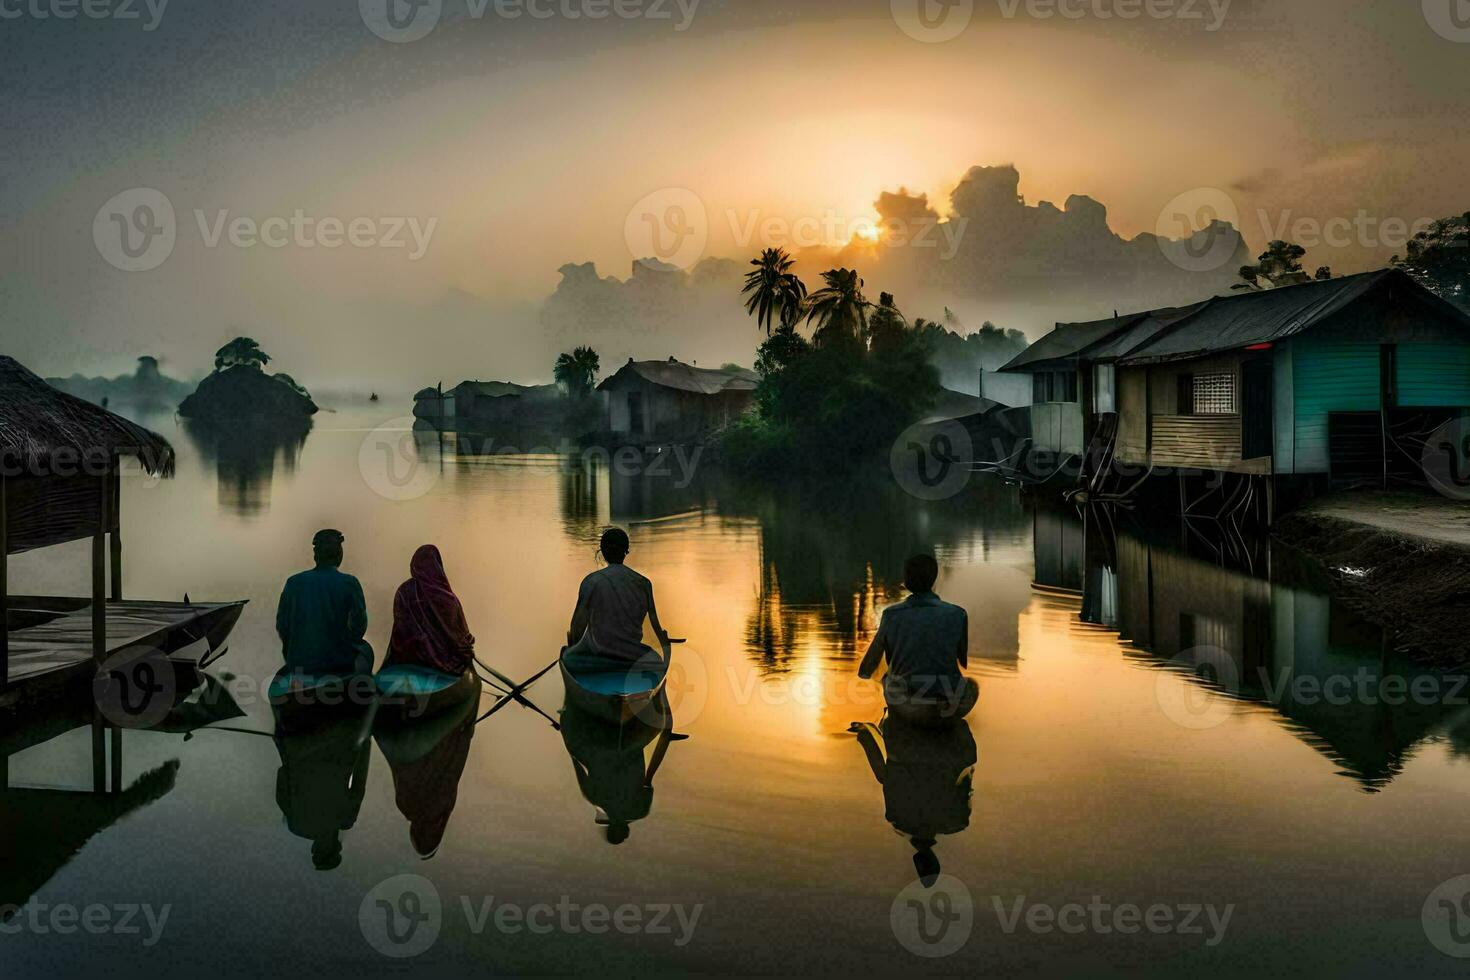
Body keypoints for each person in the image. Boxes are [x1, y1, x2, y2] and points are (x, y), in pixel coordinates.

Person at [858, 554, 977, 719]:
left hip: (907, 704)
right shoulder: (958, 614)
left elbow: (865, 670)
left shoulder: (891, 615)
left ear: (906, 581)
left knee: (887, 676)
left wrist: (872, 672)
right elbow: (962, 659)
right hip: (948, 702)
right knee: (971, 685)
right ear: (934, 580)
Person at [275, 529, 374, 677]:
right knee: (366, 649)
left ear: (316, 555)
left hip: (299, 664)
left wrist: (293, 652)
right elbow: (359, 627)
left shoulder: (293, 582)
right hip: (338, 665)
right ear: (339, 554)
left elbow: (282, 626)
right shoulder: (349, 583)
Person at [568, 527, 668, 661]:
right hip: (633, 657)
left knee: (567, 656)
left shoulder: (591, 581)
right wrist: (665, 644)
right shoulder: (644, 583)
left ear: (602, 552)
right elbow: (654, 626)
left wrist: (571, 649)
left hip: (597, 658)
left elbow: (577, 630)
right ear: (626, 551)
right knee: (656, 659)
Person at [384, 545, 476, 676]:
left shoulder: (404, 591)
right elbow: (461, 634)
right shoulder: (448, 598)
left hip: (409, 658)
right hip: (450, 662)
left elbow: (400, 628)